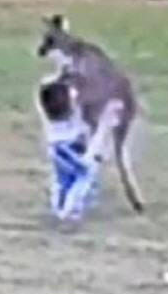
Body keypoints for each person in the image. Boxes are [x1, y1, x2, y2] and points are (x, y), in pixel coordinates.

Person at [38, 78, 121, 223]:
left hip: (74, 204)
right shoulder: (62, 142)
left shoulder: (61, 127)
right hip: (68, 211)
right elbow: (87, 167)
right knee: (83, 175)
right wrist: (105, 124)